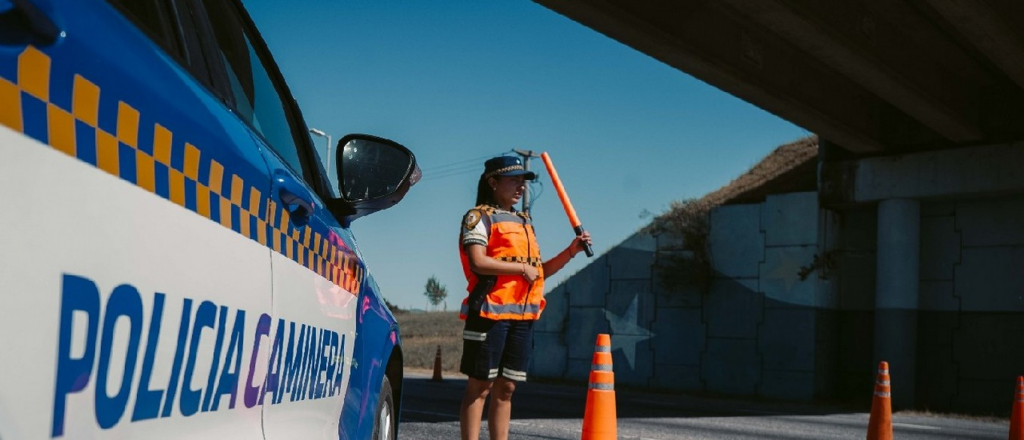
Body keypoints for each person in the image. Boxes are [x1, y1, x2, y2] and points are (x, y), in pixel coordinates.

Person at [457, 155, 592, 440]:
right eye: (513, 180)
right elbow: (478, 262)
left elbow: (537, 272)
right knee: (480, 387)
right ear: (493, 182)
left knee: (507, 388)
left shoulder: (524, 222)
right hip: (489, 314)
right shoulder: (478, 217)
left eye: (523, 181)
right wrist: (520, 268)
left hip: (523, 316)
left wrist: (571, 252)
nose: (521, 187)